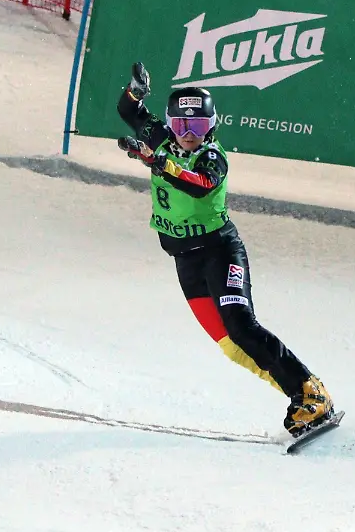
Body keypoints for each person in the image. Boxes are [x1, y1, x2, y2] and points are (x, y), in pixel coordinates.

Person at [115, 62, 335, 437]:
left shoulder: (212, 156)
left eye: (197, 126)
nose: (187, 135)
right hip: (185, 259)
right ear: (169, 124)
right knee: (232, 346)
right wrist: (136, 91)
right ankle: (299, 399)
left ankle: (311, 392)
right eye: (181, 125)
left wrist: (157, 161)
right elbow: (128, 111)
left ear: (212, 126)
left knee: (242, 326)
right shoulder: (161, 140)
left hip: (220, 251)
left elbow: (199, 185)